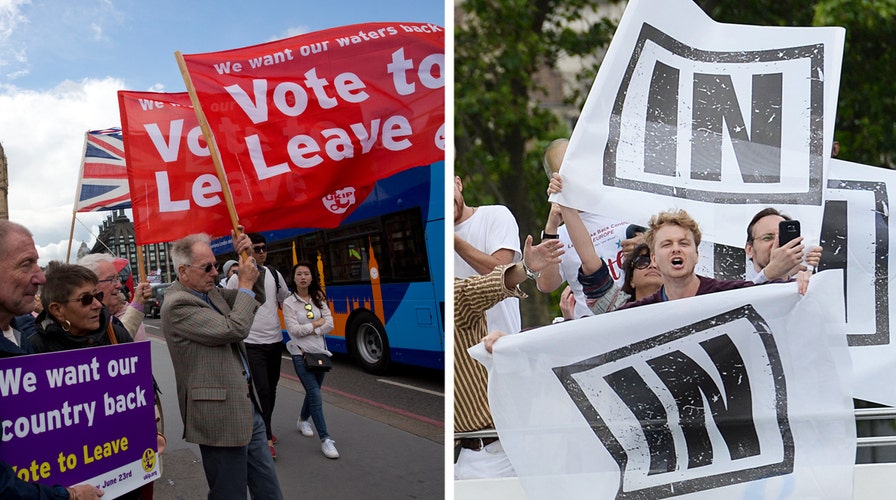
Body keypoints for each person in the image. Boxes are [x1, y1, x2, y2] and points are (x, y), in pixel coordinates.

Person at [162, 231, 282, 499]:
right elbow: (235, 327)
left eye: (215, 265)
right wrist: (245, 285)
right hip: (218, 415)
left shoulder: (210, 292)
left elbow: (254, 299)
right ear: (183, 271)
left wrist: (248, 258)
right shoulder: (177, 304)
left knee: (268, 488)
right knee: (230, 492)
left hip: (246, 404)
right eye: (207, 267)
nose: (215, 272)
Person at [455, 235, 564, 479]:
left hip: (491, 455)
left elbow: (487, 286)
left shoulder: (457, 297)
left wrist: (525, 269)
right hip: (457, 457)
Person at [618, 209, 810, 310]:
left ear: (697, 255)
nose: (676, 249)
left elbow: (762, 296)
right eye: (666, 244)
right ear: (654, 258)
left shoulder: (725, 293)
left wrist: (796, 284)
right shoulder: (638, 313)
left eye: (684, 243)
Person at [224, 233, 289, 459]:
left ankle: (264, 425)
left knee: (271, 388)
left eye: (264, 248)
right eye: (257, 248)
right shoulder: (237, 278)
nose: (261, 252)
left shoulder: (274, 274)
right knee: (261, 390)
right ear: (248, 251)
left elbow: (285, 300)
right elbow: (229, 305)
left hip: (274, 341)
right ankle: (266, 436)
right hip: (251, 343)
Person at [282, 261, 339, 459]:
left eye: (306, 273)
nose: (303, 277)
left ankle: (303, 419)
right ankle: (326, 439)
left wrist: (313, 327)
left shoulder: (318, 298)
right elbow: (294, 331)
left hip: (321, 353)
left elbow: (330, 323)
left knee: (313, 391)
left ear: (312, 277)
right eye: (299, 274)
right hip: (301, 354)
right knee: (315, 394)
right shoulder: (289, 303)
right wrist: (317, 323)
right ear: (294, 278)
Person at [454, 175, 522, 335]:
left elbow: (501, 274)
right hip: (462, 351)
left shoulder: (496, 215)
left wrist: (455, 241)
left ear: (458, 184)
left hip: (502, 342)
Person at [77, 253, 151, 341]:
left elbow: (118, 343)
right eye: (111, 279)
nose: (119, 285)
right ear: (90, 284)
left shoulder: (123, 312)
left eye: (117, 278)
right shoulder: (75, 320)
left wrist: (138, 303)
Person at [745, 207, 822, 283]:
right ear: (749, 250)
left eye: (782, 237)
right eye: (768, 238)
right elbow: (745, 293)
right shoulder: (735, 288)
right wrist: (772, 272)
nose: (777, 243)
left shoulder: (801, 284)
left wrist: (809, 269)